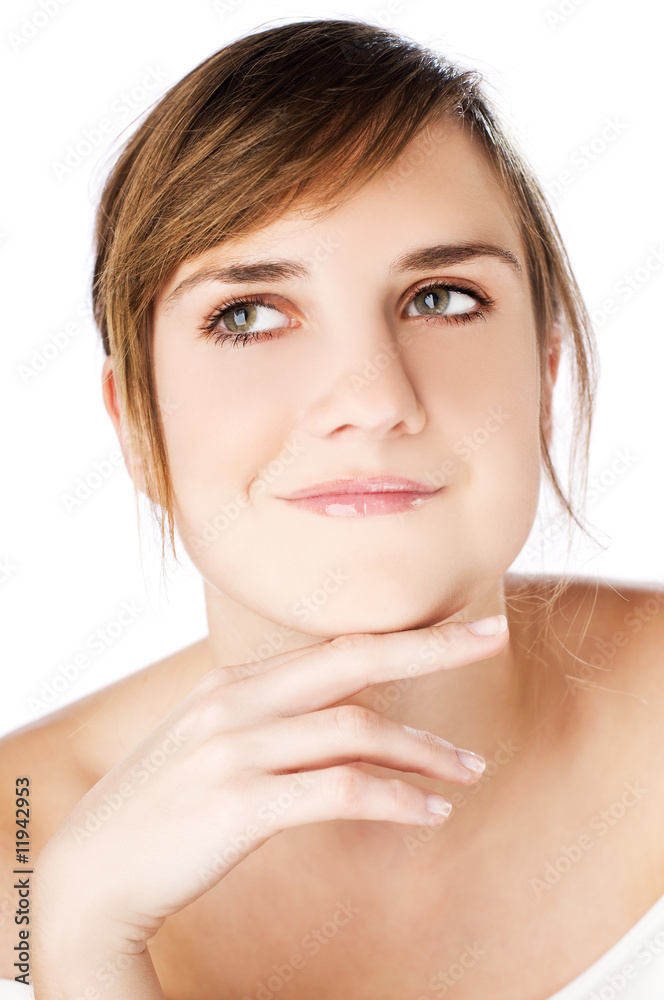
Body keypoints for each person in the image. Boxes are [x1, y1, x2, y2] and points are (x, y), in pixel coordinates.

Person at [1, 16, 663, 1000]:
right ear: (138, 423)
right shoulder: (16, 850)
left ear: (545, 374)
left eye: (441, 297)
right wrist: (79, 951)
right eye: (248, 314)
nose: (372, 398)